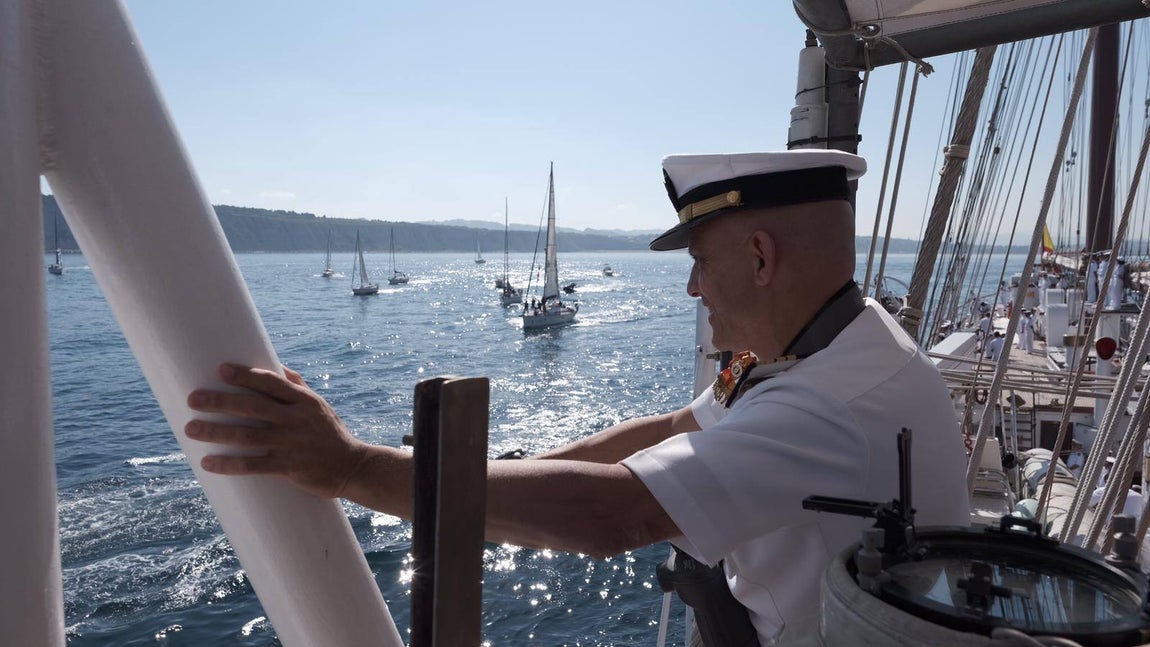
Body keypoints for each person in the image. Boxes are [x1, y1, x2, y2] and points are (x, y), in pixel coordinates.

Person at [184, 150, 971, 645]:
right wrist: (512, 471)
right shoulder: (834, 345)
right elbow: (669, 428)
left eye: (699, 260)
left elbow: (614, 514)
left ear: (760, 256)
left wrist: (351, 466)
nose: (694, 287)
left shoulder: (831, 402)